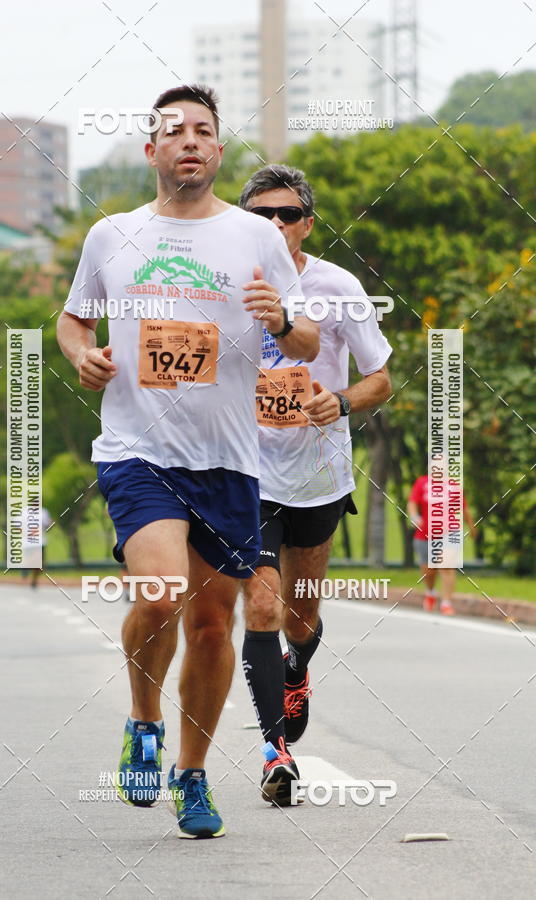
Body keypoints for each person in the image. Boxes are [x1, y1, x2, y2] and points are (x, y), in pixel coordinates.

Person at [57, 85, 318, 838]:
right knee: (164, 592)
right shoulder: (113, 235)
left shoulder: (257, 238)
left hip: (228, 461)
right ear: (153, 151)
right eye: (175, 133)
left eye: (204, 131)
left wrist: (285, 321)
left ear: (218, 150)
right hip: (139, 450)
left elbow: (303, 345)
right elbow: (74, 320)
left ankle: (193, 775)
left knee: (211, 625)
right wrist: (84, 356)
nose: (191, 142)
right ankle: (144, 723)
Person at [239, 165, 392, 805]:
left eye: (289, 214)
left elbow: (381, 377)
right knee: (263, 606)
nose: (276, 225)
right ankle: (277, 751)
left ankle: (297, 667)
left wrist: (343, 402)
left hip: (318, 475)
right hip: (245, 471)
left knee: (300, 613)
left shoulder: (338, 286)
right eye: (262, 215)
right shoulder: (224, 285)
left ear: (307, 223)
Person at [408, 474, 477, 615]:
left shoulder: (453, 486)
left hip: (450, 532)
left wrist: (472, 527)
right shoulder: (422, 483)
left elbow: (464, 509)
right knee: (429, 571)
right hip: (425, 533)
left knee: (446, 566)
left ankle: (446, 603)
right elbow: (412, 502)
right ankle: (431, 592)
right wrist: (414, 516)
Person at [20, 505, 52, 589]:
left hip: (40, 542)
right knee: (31, 561)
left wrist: (50, 524)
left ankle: (34, 580)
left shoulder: (43, 512)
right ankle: (25, 568)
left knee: (40, 564)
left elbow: (48, 525)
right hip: (28, 542)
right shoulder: (23, 512)